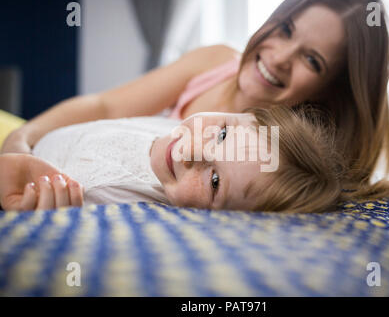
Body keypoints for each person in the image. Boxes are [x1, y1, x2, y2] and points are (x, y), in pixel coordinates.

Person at [1, 0, 389, 199]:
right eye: (284, 29)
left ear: (329, 91)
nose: (279, 58)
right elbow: (103, 106)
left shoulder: (283, 164)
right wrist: (22, 138)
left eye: (312, 60)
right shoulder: (215, 61)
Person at [0, 106, 357, 213]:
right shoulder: (169, 127)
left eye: (215, 181)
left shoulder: (113, 198)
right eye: (222, 135)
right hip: (20, 132)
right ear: (237, 113)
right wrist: (20, 140)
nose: (190, 152)